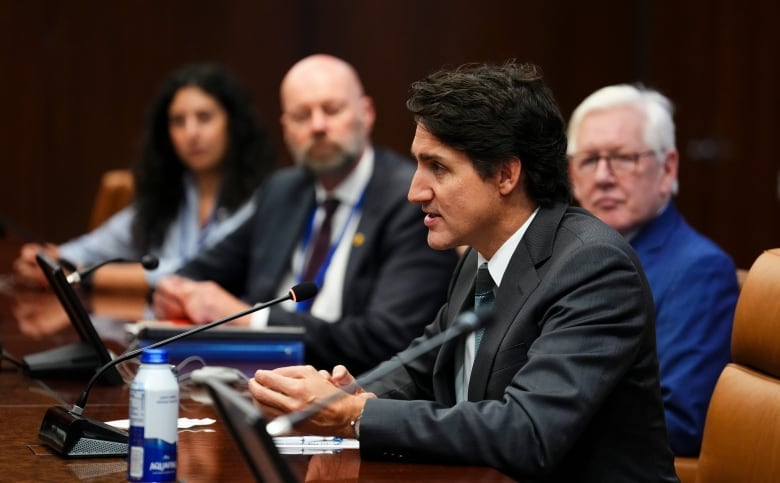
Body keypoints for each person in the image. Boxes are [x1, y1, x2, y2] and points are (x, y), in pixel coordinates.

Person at [248, 61, 679, 482]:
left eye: (438, 167)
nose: (415, 191)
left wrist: (356, 415)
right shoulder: (481, 253)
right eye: (418, 164)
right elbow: (420, 368)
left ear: (506, 174)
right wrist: (347, 393)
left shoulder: (593, 267)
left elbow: (528, 432)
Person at [151, 54, 458, 374]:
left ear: (366, 113)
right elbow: (203, 270)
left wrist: (252, 318)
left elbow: (389, 339)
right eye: (301, 116)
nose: (318, 126)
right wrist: (176, 290)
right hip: (255, 378)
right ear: (285, 128)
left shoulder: (410, 200)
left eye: (332, 110)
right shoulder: (282, 191)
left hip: (350, 387)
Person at [566, 84, 738, 456]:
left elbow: (677, 422)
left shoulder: (700, 270)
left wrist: (545, 420)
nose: (604, 176)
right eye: (589, 160)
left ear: (667, 168)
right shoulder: (566, 256)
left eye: (623, 158)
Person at [12, 64, 275, 293]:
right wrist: (51, 260)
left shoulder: (267, 196)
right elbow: (95, 246)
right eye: (178, 121)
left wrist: (85, 275)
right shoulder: (169, 192)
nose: (191, 133)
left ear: (234, 124)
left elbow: (198, 272)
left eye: (204, 118)